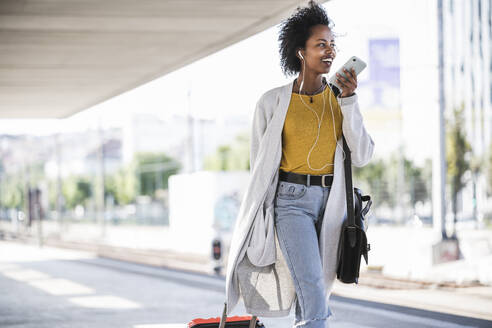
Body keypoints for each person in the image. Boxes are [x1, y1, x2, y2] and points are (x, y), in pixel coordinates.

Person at [224, 1, 375, 327]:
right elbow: (259, 166)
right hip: (291, 204)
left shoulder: (340, 99)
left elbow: (362, 154)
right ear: (299, 52)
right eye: (320, 44)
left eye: (332, 45)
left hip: (332, 204)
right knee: (310, 287)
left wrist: (349, 101)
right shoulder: (272, 101)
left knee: (314, 292)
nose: (330, 51)